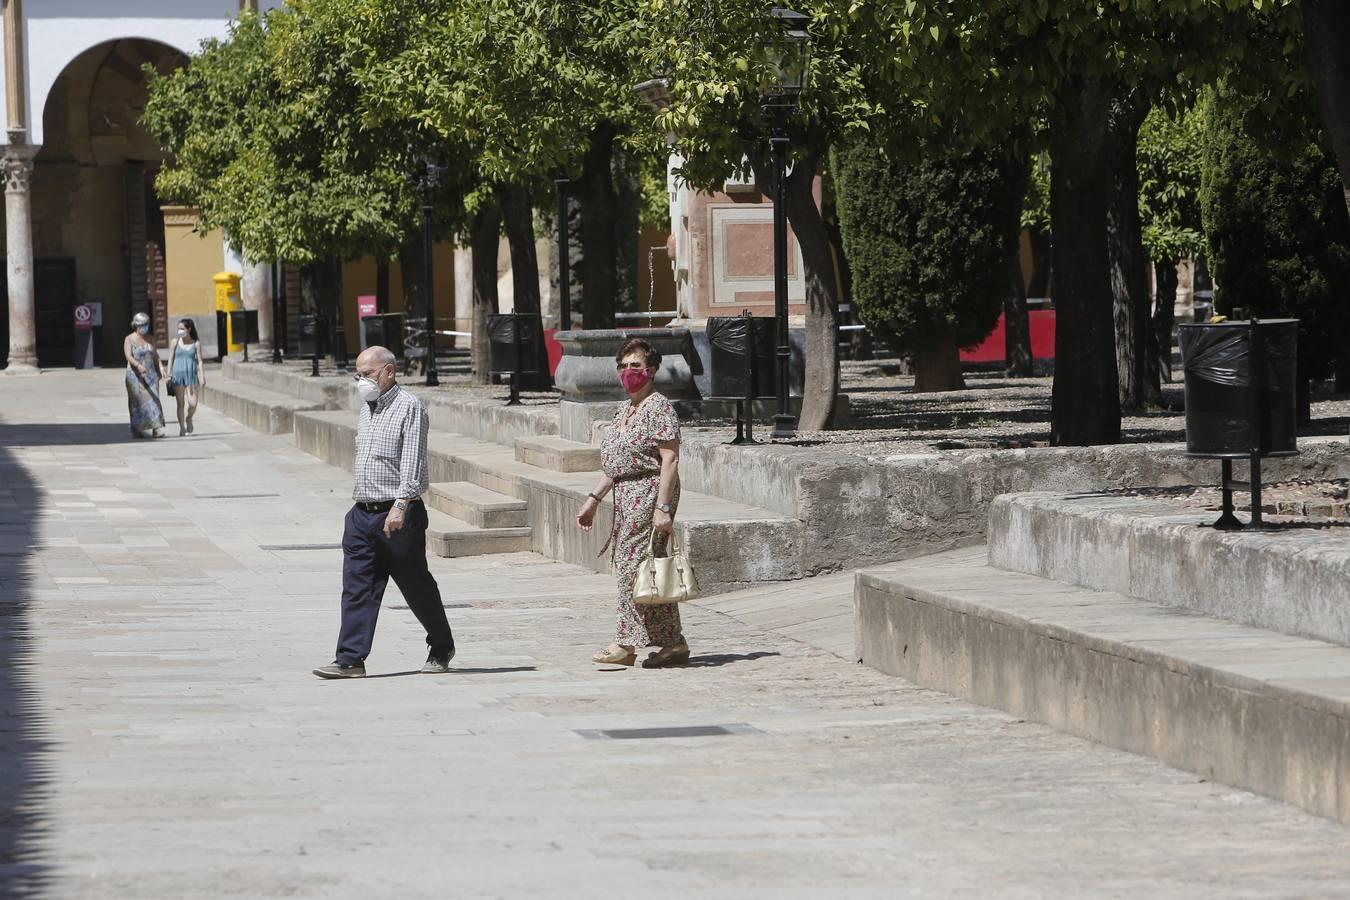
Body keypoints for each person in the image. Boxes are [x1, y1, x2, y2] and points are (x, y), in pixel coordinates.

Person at [313, 346, 457, 679]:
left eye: (367, 374)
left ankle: (441, 644)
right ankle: (350, 659)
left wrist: (402, 505)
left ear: (389, 372)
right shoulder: (367, 408)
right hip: (362, 514)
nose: (361, 381)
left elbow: (413, 463)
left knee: (415, 586)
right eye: (358, 375)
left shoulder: (410, 408)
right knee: (356, 587)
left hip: (397, 515)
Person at [576, 338, 688, 668]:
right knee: (646, 568)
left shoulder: (660, 408)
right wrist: (594, 499)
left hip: (650, 491)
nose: (628, 372)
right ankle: (674, 643)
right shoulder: (624, 410)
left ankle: (625, 644)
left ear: (651, 370)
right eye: (623, 366)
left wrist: (663, 508)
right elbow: (616, 463)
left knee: (630, 565)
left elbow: (669, 459)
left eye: (635, 366)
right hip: (625, 494)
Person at [123, 312, 166, 439]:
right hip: (135, 376)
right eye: (142, 325)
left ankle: (156, 428)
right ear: (136, 325)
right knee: (137, 402)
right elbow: (128, 356)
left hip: (151, 374)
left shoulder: (151, 339)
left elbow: (155, 355)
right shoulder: (129, 339)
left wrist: (161, 368)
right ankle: (137, 428)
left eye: (146, 324)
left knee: (154, 400)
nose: (145, 327)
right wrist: (138, 365)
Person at [167, 318, 205, 437]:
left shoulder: (196, 343)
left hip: (191, 376)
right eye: (178, 329)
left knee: (193, 404)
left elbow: (199, 361)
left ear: (189, 329)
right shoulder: (175, 342)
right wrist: (169, 374)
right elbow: (170, 358)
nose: (179, 331)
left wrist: (202, 376)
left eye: (182, 329)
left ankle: (189, 418)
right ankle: (182, 428)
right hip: (177, 376)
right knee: (180, 404)